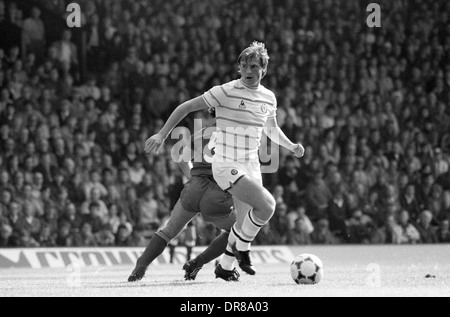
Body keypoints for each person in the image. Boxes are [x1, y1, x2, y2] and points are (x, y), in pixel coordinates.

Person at [144, 41, 304, 280]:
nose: (248, 71)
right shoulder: (226, 91)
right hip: (227, 163)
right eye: (244, 66)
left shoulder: (269, 98)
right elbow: (186, 107)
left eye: (253, 66)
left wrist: (290, 145)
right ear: (239, 68)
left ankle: (225, 266)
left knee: (242, 224)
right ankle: (243, 251)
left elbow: (271, 129)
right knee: (267, 206)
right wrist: (162, 133)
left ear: (263, 70)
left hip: (252, 165)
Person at [128, 114, 238, 282]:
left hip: (193, 188)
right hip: (217, 195)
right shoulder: (237, 137)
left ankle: (141, 265)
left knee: (168, 231)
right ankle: (197, 262)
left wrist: (193, 178)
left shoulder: (199, 134)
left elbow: (181, 161)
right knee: (239, 231)